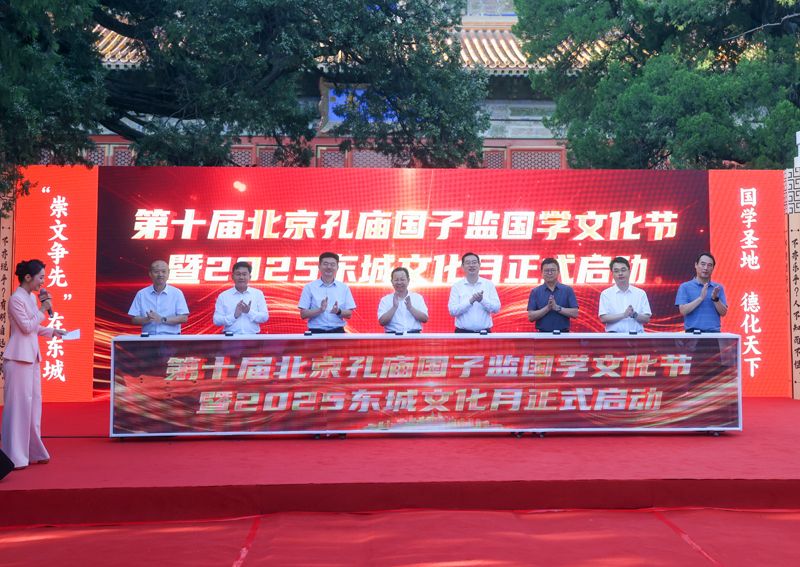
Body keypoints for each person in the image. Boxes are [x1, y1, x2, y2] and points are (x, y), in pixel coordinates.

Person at [2, 259, 66, 469]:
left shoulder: (30, 297)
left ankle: (33, 451)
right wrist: (43, 308)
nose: (43, 282)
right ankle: (15, 457)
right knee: (18, 410)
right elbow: (27, 327)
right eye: (41, 277)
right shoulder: (16, 299)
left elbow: (34, 328)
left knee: (32, 408)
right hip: (17, 359)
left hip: (32, 358)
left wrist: (52, 331)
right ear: (28, 277)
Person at [299, 252, 356, 333]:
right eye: (325, 264)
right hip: (316, 332)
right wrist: (320, 310)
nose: (329, 267)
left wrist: (338, 311)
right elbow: (303, 314)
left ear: (337, 267)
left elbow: (349, 314)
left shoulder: (344, 288)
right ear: (319, 266)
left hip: (338, 332)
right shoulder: (309, 287)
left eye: (332, 264)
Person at [128, 260, 189, 334]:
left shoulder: (177, 293)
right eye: (156, 272)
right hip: (148, 338)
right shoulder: (141, 294)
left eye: (163, 271)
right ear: (150, 274)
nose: (160, 275)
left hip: (171, 338)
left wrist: (162, 319)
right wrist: (147, 319)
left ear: (168, 273)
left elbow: (184, 318)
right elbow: (134, 319)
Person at [448, 253, 501, 333]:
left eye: (474, 262)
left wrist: (482, 300)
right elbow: (453, 311)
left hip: (484, 334)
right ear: (462, 266)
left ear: (479, 265)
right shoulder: (457, 286)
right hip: (462, 333)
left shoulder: (488, 284)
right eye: (468, 263)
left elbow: (496, 309)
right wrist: (470, 302)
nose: (471, 265)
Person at [676, 252, 728, 332]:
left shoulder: (718, 288)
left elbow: (723, 313)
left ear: (713, 268)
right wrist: (700, 298)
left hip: (713, 333)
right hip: (692, 334)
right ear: (696, 265)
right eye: (703, 264)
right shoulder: (685, 287)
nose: (706, 268)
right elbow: (683, 311)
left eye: (709, 265)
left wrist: (715, 299)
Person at [212, 261, 269, 334]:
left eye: (244, 274)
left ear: (250, 277)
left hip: (253, 337)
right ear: (232, 276)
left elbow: (264, 317)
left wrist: (249, 312)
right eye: (238, 274)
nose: (241, 277)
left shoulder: (258, 294)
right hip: (230, 337)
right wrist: (234, 316)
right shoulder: (223, 296)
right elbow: (216, 320)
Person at [598, 256, 652, 333]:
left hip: (637, 336)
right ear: (612, 274)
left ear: (629, 272)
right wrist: (624, 315)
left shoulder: (640, 293)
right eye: (616, 271)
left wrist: (634, 315)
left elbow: (647, 319)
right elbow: (603, 318)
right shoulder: (606, 294)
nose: (620, 273)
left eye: (623, 270)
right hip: (614, 337)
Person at [527, 257, 579, 332]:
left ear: (558, 272)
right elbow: (531, 317)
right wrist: (547, 308)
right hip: (542, 335)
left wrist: (557, 308)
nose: (550, 273)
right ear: (541, 273)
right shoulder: (535, 292)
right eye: (546, 270)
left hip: (563, 334)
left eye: (553, 270)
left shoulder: (567, 290)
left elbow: (575, 313)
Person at [378, 267, 429, 333]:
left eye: (402, 279)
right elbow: (382, 322)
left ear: (408, 280)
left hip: (414, 335)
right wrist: (394, 307)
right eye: (396, 280)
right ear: (392, 282)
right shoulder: (385, 300)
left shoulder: (417, 298)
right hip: (392, 336)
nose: (399, 282)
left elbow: (425, 319)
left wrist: (410, 308)